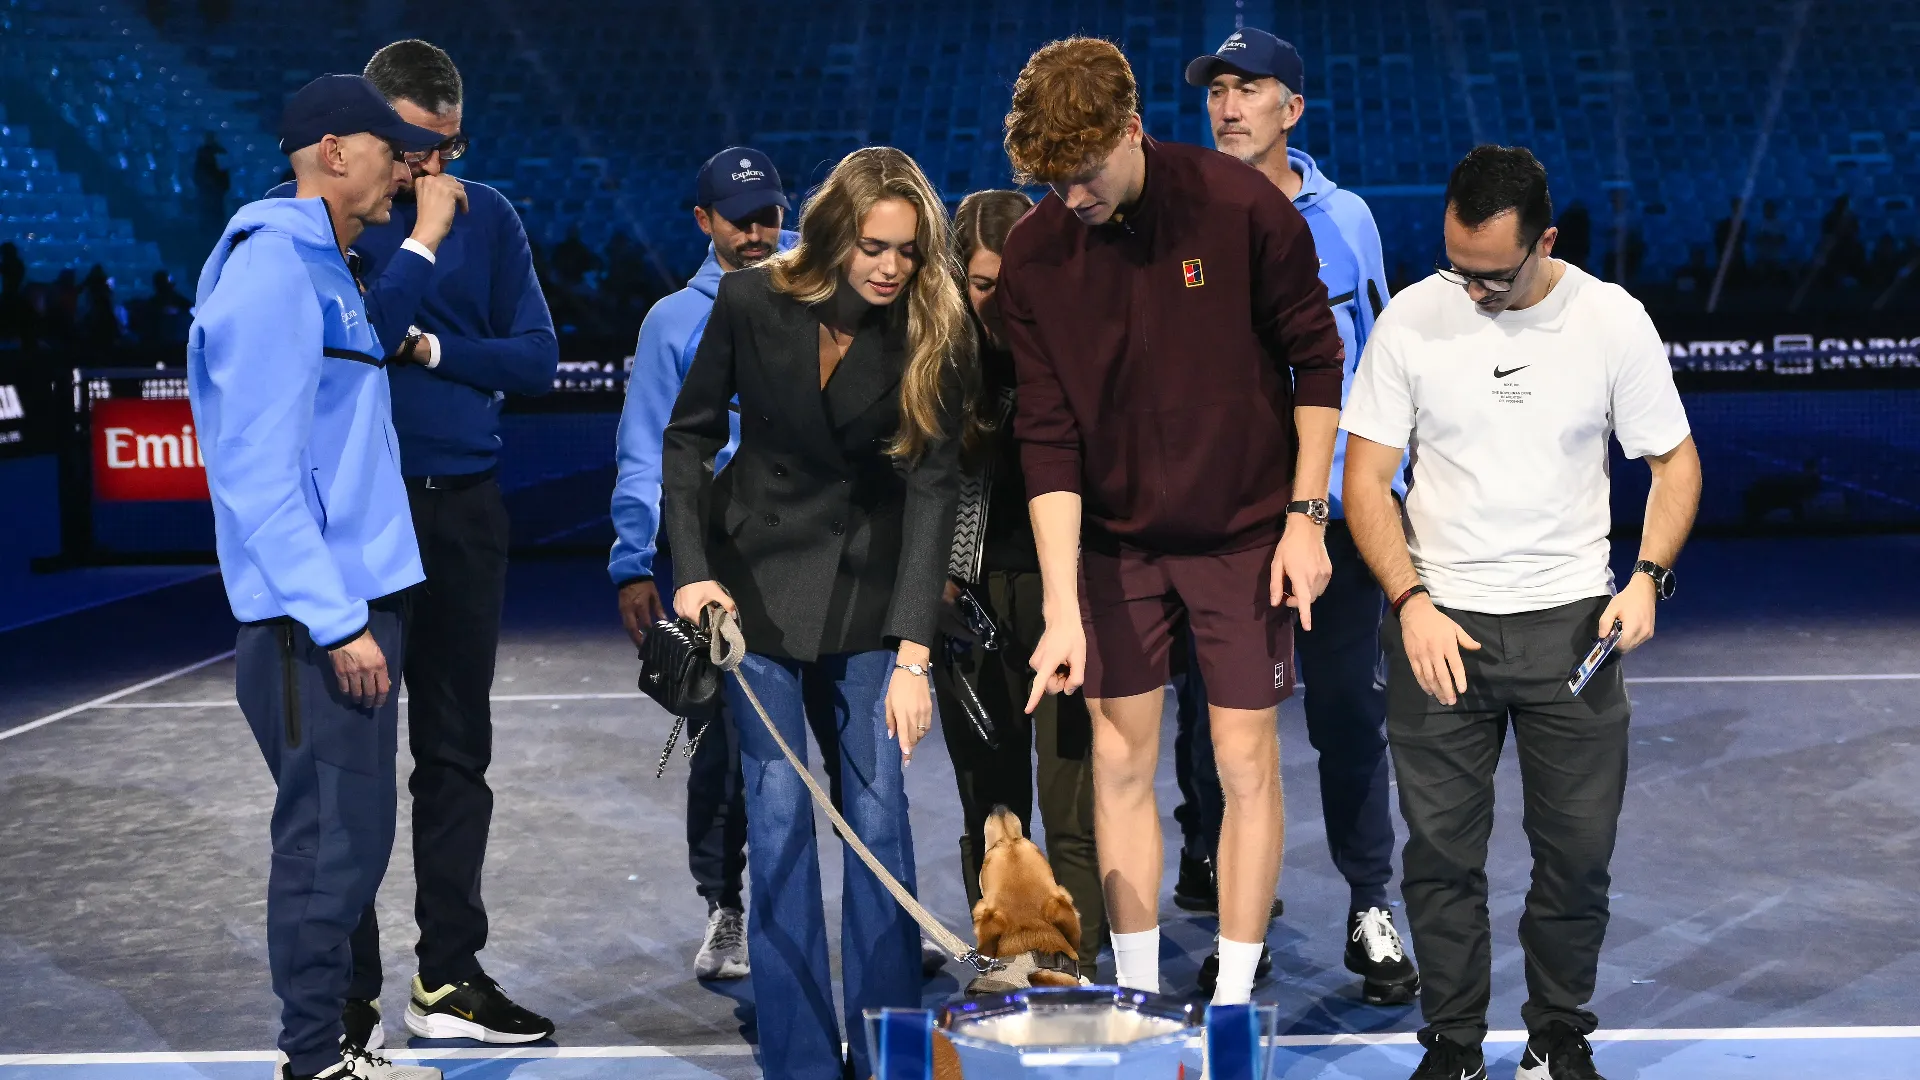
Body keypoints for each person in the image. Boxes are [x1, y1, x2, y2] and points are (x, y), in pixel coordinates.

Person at [1340, 145, 1702, 1080]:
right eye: (1456, 264)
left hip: (1574, 632)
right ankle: (1454, 1049)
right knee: (1441, 861)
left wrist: (1647, 579)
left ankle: (1557, 1040)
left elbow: (1673, 461)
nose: (1470, 287)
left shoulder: (1612, 321)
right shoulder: (1414, 321)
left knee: (1577, 859)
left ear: (1545, 240)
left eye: (1492, 273)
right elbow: (1367, 480)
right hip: (1439, 630)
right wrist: (1410, 601)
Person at [998, 37, 1346, 1007]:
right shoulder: (1034, 256)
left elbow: (1317, 363)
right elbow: (1050, 436)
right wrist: (1061, 606)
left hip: (1244, 532)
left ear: (1133, 129)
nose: (1070, 195)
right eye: (1051, 179)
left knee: (1243, 759)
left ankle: (1232, 1001)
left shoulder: (1242, 208)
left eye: (1084, 171)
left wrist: (1306, 518)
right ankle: (1143, 1000)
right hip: (1115, 545)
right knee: (1118, 759)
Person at [268, 39, 559, 1049]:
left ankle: (449, 979)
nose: (428, 171)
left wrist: (437, 349)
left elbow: (535, 359)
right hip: (362, 521)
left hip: (465, 509)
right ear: (367, 141)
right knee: (350, 769)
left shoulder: (494, 218)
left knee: (455, 753)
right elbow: (345, 348)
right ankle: (346, 996)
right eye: (412, 151)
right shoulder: (325, 223)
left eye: (447, 150)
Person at [661, 146, 967, 1080]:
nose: (890, 266)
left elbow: (933, 492)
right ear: (834, 237)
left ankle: (888, 1057)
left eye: (908, 251)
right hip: (753, 595)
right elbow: (691, 435)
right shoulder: (753, 301)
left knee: (879, 820)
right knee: (781, 814)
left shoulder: (928, 328)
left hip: (873, 600)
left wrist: (915, 655)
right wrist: (689, 569)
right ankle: (798, 1061)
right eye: (874, 246)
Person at [187, 74, 445, 1080]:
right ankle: (314, 1062)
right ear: (333, 152)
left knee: (352, 843)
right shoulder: (270, 273)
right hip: (314, 621)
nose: (406, 164)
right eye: (390, 146)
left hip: (353, 601)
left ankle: (334, 1051)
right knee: (327, 848)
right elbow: (256, 473)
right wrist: (338, 622)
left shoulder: (329, 267)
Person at [1170, 26, 1419, 1005]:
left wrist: (1384, 500)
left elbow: (1378, 366)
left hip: (1337, 519)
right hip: (1227, 524)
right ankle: (1243, 931)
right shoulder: (1178, 219)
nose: (1228, 105)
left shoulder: (1346, 218)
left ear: (1293, 108)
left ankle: (1370, 905)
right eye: (1217, 89)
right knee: (1222, 737)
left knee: (1351, 716)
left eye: (1249, 87)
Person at [609, 145, 798, 981]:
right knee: (720, 751)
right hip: (715, 566)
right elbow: (645, 447)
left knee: (845, 740)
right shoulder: (670, 323)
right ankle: (726, 908)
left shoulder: (819, 292)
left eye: (769, 216)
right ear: (703, 221)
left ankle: (860, 916)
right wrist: (632, 561)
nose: (757, 234)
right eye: (739, 220)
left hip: (818, 554)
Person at [933, 188, 1107, 968]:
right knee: (993, 810)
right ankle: (1003, 971)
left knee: (1073, 809)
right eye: (980, 284)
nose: (997, 300)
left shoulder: (1078, 345)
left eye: (1013, 279)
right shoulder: (933, 363)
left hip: (1065, 600)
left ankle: (1077, 975)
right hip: (967, 605)